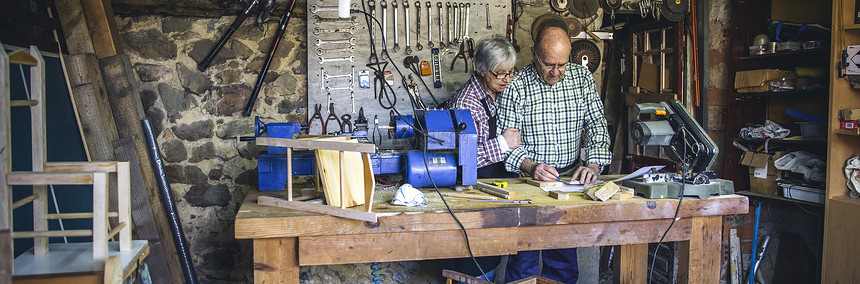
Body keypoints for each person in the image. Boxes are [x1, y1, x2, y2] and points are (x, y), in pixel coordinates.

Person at [495, 24, 612, 283]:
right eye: (549, 64)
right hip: (528, 186)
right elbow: (505, 142)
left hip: (569, 183)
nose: (556, 72)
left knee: (563, 264)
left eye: (562, 65)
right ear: (534, 54)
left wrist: (592, 165)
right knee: (523, 263)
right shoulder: (517, 86)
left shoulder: (582, 79)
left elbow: (596, 124)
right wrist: (530, 166)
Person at [440, 34, 520, 282]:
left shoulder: (494, 93)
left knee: (489, 253)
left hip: (489, 191)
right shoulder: (468, 103)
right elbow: (462, 160)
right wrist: (503, 143)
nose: (506, 78)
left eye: (510, 72)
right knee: (474, 261)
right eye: (499, 73)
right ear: (481, 69)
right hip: (472, 195)